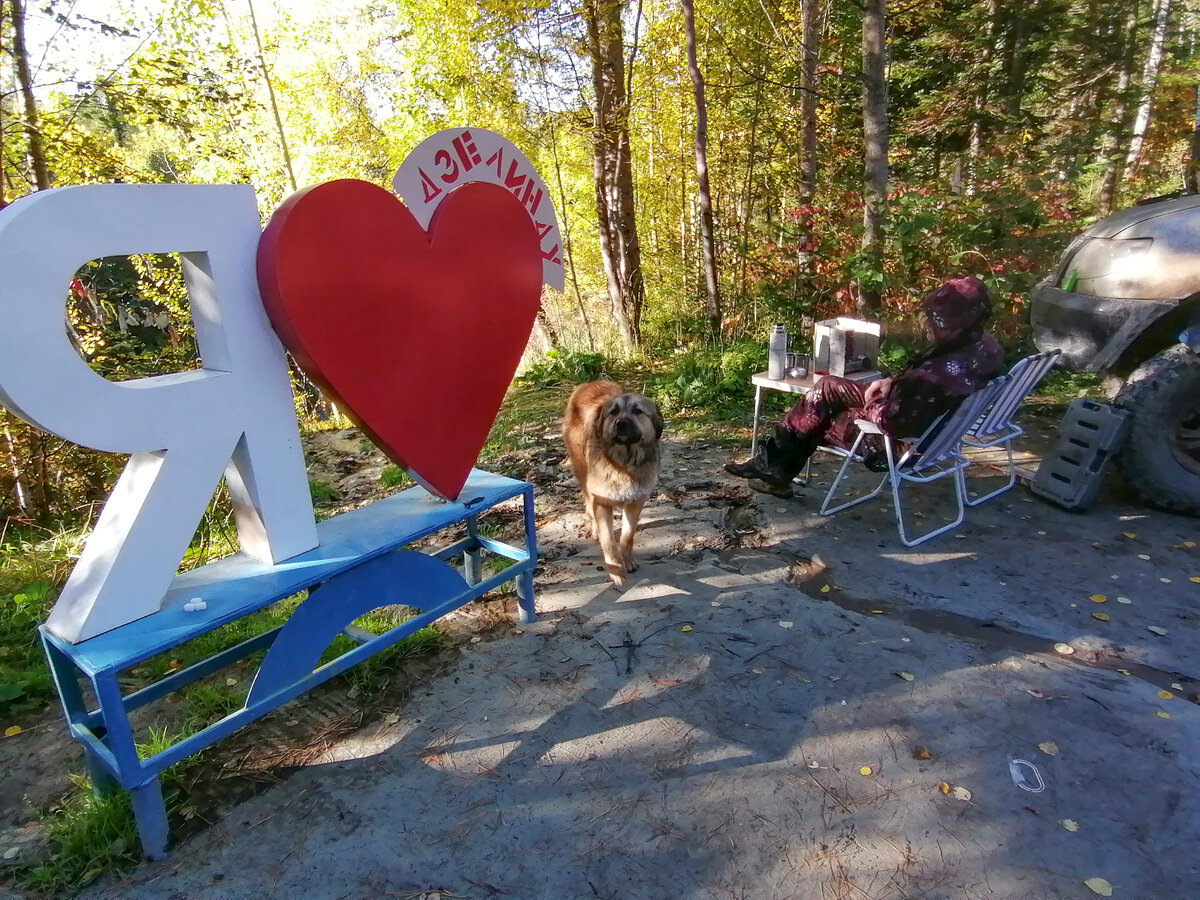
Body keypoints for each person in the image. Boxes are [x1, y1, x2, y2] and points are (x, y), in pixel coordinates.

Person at [725, 276, 1007, 497]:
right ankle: (771, 466)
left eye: (937, 318)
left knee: (818, 413)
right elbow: (918, 393)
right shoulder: (983, 347)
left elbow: (894, 423)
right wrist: (888, 383)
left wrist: (870, 407)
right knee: (826, 387)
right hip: (930, 425)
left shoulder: (937, 376)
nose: (931, 324)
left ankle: (772, 469)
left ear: (953, 320)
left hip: (894, 445)